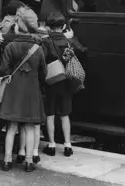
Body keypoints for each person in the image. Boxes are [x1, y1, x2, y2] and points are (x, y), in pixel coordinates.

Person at [0, 7, 47, 173]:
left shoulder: (10, 46)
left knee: (11, 128)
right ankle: (28, 161)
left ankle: (7, 160)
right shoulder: (38, 49)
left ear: (18, 26)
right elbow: (44, 73)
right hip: (32, 91)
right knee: (30, 127)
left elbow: (3, 69)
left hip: (14, 90)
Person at [41, 11, 80, 158]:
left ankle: (51, 145)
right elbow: (76, 54)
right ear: (63, 26)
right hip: (65, 80)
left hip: (50, 81)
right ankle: (68, 145)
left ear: (47, 27)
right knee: (65, 114)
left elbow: (42, 61)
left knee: (49, 114)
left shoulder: (45, 42)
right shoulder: (69, 41)